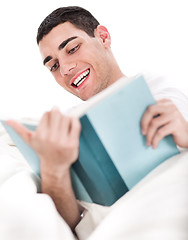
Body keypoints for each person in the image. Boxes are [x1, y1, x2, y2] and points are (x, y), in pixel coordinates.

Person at [5, 6, 188, 239]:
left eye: (72, 49)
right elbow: (67, 222)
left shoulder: (156, 89)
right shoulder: (64, 125)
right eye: (53, 66)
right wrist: (54, 170)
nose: (65, 69)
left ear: (103, 37)